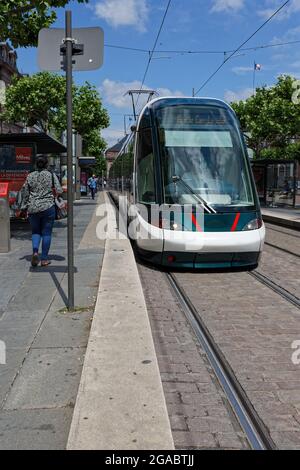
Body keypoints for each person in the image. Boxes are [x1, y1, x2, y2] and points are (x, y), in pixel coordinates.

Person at [21, 156, 63, 267]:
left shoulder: (30, 176)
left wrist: (24, 208)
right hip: (48, 207)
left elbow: (25, 193)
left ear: (36, 164)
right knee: (47, 233)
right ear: (46, 164)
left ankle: (35, 252)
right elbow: (59, 190)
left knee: (35, 231)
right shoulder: (51, 175)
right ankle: (44, 259)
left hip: (33, 208)